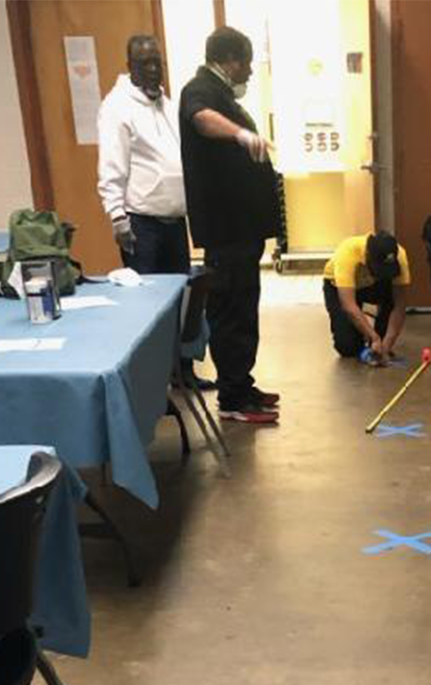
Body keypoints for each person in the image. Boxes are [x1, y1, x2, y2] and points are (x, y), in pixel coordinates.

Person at [97, 34, 213, 386]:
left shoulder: (167, 104)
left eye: (156, 62)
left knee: (180, 301)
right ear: (129, 66)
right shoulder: (117, 107)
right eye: (144, 63)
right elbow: (111, 167)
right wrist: (117, 216)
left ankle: (183, 372)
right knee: (145, 308)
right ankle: (150, 382)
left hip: (174, 221)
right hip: (140, 224)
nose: (152, 69)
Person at [179, 26, 281, 424]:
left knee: (244, 308)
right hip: (227, 231)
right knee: (231, 312)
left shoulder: (221, 94)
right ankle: (233, 399)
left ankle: (242, 384)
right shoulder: (199, 90)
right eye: (247, 63)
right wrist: (240, 134)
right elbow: (202, 119)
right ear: (229, 61)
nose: (251, 72)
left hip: (242, 229)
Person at [322, 232, 410, 365]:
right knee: (347, 347)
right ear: (367, 256)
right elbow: (348, 305)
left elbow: (399, 306)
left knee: (390, 296)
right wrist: (374, 337)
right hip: (338, 287)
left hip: (373, 285)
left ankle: (379, 340)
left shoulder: (400, 256)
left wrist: (387, 343)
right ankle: (363, 339)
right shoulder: (347, 253)